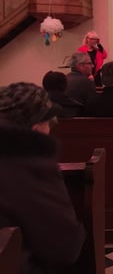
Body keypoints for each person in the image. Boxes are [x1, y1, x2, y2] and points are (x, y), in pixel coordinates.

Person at [0, 82, 85, 274]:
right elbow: (64, 248)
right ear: (36, 126)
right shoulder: (27, 164)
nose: (50, 130)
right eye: (49, 123)